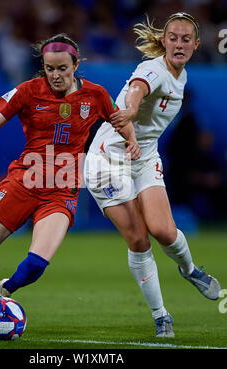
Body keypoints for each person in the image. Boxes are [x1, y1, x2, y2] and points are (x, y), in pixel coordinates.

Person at [0, 33, 140, 338]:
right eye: (50, 68)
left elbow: (120, 120)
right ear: (43, 66)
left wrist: (131, 142)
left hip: (62, 188)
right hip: (24, 181)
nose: (55, 75)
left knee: (37, 264)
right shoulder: (28, 91)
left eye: (62, 68)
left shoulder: (95, 95)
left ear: (75, 64)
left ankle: (4, 289)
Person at [84, 13, 221, 338]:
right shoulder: (153, 69)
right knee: (139, 239)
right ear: (164, 41)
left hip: (144, 156)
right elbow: (136, 90)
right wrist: (131, 110)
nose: (179, 43)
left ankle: (190, 270)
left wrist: (137, 138)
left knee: (164, 231)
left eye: (186, 39)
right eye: (173, 37)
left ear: (195, 45)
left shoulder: (181, 75)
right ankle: (161, 316)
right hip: (108, 160)